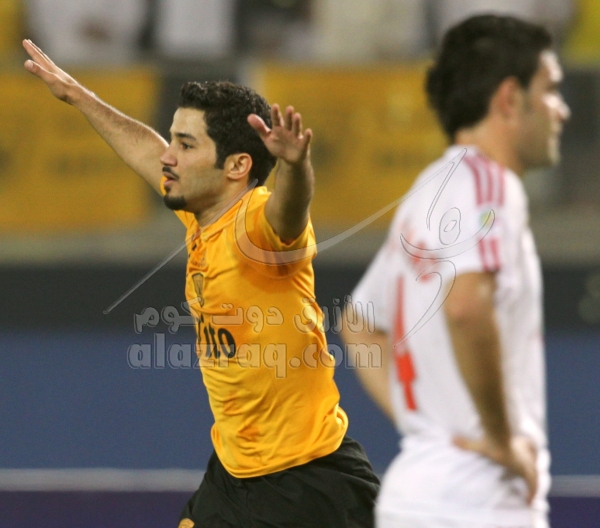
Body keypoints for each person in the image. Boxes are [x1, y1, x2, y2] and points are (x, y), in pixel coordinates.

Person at [23, 39, 379, 528]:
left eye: (186, 145)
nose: (169, 156)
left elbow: (290, 212)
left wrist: (296, 167)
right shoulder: (202, 214)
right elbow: (145, 149)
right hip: (233, 476)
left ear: (237, 166)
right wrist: (79, 97)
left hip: (309, 486)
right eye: (174, 139)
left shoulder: (257, 227)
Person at [342, 14, 570, 528]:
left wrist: (429, 430)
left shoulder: (426, 191)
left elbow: (358, 323)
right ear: (509, 98)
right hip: (479, 503)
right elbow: (466, 306)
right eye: (551, 89)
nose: (562, 109)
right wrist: (500, 440)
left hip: (414, 495)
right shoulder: (490, 186)